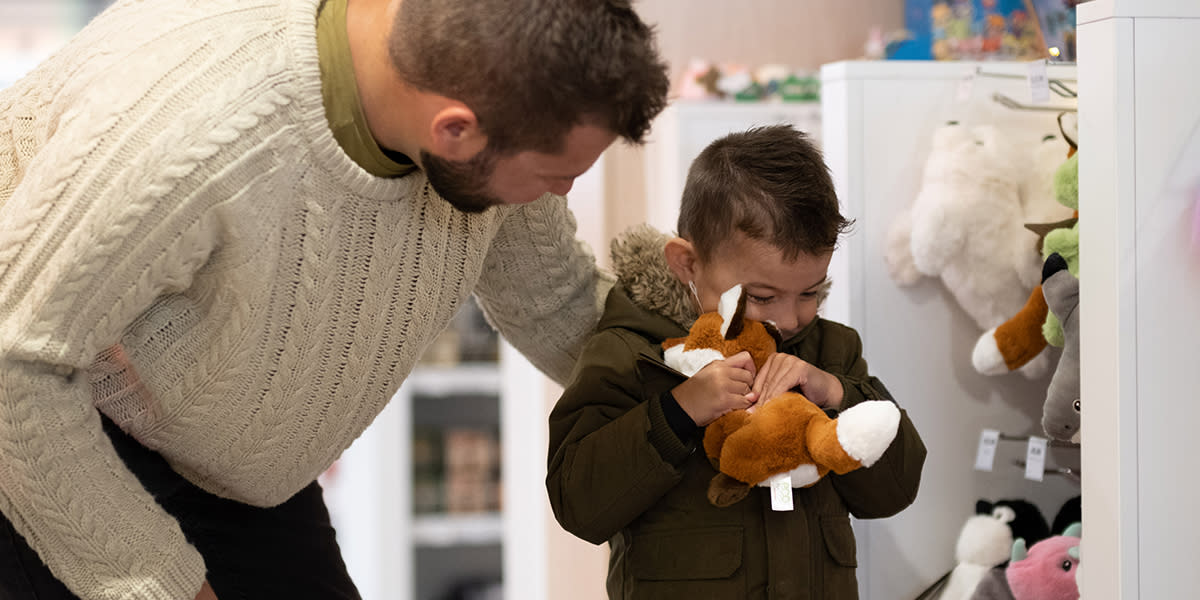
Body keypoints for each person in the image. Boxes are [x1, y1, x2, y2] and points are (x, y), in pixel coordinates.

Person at [0, 0, 669, 598]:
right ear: (455, 131)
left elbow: (559, 302)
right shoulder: (185, 136)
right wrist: (156, 583)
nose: (561, 194)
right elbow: (16, 363)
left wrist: (716, 370)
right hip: (37, 430)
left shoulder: (485, 94)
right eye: (559, 176)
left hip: (221, 458)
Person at [546, 125, 927, 599]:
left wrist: (838, 395)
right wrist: (677, 411)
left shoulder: (832, 352)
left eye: (810, 292)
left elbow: (895, 489)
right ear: (687, 264)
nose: (790, 319)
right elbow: (578, 503)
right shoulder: (630, 352)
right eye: (763, 296)